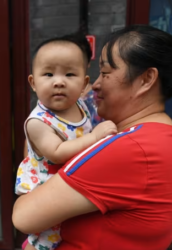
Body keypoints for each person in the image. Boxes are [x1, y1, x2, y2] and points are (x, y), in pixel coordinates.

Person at [13, 25, 172, 250]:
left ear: (146, 79)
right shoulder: (161, 136)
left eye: (105, 73)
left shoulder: (128, 148)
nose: (96, 85)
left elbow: (23, 217)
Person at [15, 33, 117, 250]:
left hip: (70, 178)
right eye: (48, 74)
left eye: (70, 74)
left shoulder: (80, 105)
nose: (59, 82)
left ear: (84, 84)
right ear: (33, 82)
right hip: (45, 185)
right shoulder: (38, 121)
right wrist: (95, 137)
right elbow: (57, 151)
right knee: (47, 236)